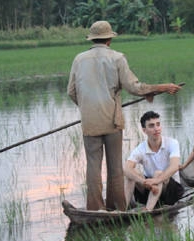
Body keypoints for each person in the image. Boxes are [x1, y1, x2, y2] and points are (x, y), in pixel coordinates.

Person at [67, 21, 181, 211]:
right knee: (115, 168)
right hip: (112, 120)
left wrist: (87, 108)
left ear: (92, 39)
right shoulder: (117, 58)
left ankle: (95, 208)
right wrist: (160, 88)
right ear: (109, 39)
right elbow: (134, 87)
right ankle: (117, 207)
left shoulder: (79, 59)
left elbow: (71, 91)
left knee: (93, 167)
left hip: (89, 122)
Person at [124, 111, 184, 211]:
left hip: (171, 191)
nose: (156, 129)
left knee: (158, 173)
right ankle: (122, 210)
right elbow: (126, 168)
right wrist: (143, 182)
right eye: (151, 126)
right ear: (144, 130)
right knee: (131, 173)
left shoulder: (172, 143)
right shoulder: (141, 148)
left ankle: (148, 210)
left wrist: (157, 180)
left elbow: (174, 166)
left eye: (158, 124)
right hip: (151, 189)